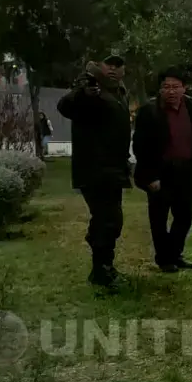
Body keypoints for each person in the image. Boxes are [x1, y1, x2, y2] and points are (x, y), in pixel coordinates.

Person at [57, 55, 132, 290]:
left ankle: (102, 267)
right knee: (108, 220)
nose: (113, 68)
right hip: (94, 169)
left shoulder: (118, 92)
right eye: (108, 64)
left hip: (113, 169)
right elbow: (65, 106)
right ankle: (102, 271)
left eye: (118, 65)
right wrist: (82, 92)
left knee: (109, 220)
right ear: (99, 66)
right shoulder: (90, 87)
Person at [132, 67, 192, 273]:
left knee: (185, 216)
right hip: (161, 172)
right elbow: (140, 146)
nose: (171, 91)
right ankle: (164, 259)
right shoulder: (149, 111)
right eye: (166, 87)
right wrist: (150, 176)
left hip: (186, 169)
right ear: (160, 90)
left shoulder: (190, 106)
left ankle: (174, 254)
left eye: (175, 87)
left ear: (184, 88)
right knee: (159, 218)